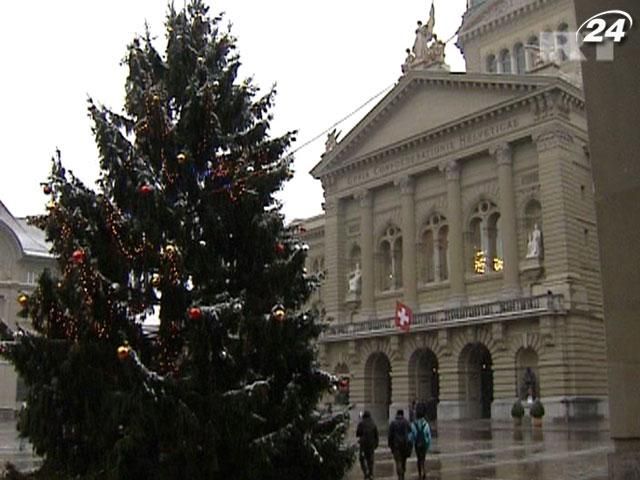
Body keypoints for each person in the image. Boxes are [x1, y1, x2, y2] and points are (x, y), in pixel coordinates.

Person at [388, 409, 412, 480]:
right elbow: (410, 433)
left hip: (396, 445)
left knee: (398, 461)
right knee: (404, 460)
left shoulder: (393, 423)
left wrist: (390, 445)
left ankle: (400, 475)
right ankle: (402, 473)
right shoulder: (406, 422)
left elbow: (390, 436)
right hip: (405, 444)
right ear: (402, 414)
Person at [410, 405, 432, 480]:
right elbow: (428, 435)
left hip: (417, 444)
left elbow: (412, 435)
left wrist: (411, 443)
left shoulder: (413, 424)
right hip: (424, 444)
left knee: (418, 458)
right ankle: (424, 471)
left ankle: (420, 472)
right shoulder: (426, 424)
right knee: (423, 458)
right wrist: (428, 445)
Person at [356, 411, 379, 480]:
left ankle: (365, 473)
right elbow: (376, 435)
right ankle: (371, 473)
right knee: (370, 460)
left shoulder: (361, 423)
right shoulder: (373, 423)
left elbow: (357, 434)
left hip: (363, 445)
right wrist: (376, 444)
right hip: (371, 445)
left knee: (362, 459)